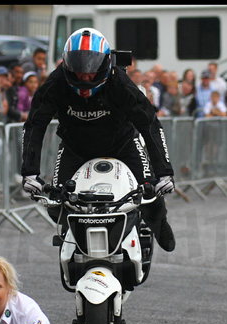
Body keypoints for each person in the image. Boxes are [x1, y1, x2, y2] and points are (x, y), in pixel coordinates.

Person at [21, 27, 176, 252]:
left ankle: (159, 223)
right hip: (75, 147)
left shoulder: (119, 82)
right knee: (57, 205)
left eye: (90, 73)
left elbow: (149, 124)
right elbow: (35, 124)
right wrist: (29, 172)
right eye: (78, 72)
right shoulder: (56, 83)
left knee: (151, 194)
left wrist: (165, 173)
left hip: (122, 144)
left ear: (104, 65)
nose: (84, 79)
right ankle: (77, 245)